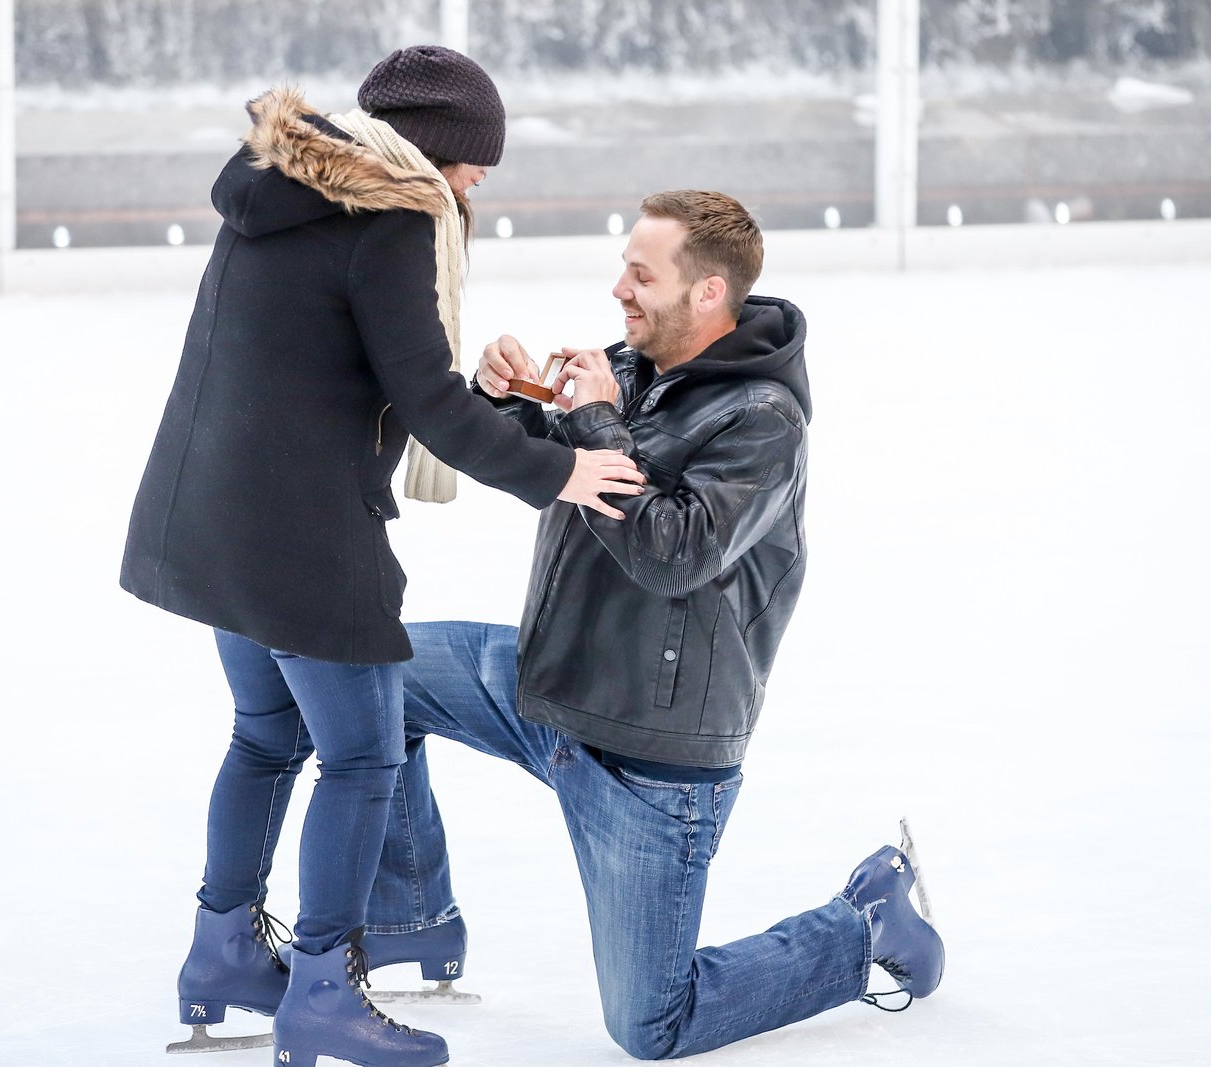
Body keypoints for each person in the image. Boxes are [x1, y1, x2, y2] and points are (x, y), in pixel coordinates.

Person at [118, 46, 645, 1066]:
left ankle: (223, 948)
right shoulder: (399, 215)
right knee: (361, 752)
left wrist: (493, 400)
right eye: (473, 164)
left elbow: (358, 370)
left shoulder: (284, 187)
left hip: (216, 520)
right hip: (305, 535)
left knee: (266, 738)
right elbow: (428, 405)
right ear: (434, 150)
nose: (477, 183)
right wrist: (561, 471)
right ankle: (321, 988)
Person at [361, 190, 946, 1058]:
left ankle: (866, 925)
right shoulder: (636, 366)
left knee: (649, 1023)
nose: (618, 291)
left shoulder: (763, 421)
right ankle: (411, 916)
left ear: (707, 293)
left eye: (641, 275)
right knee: (377, 673)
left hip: (653, 761)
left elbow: (672, 550)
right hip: (549, 686)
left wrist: (598, 419)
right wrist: (503, 404)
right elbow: (558, 472)